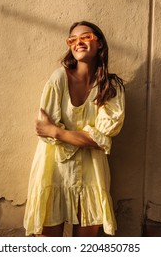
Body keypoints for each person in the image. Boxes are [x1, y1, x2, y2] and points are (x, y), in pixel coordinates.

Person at [23, 21, 125, 237]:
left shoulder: (110, 87)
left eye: (85, 37)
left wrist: (58, 132)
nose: (78, 42)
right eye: (73, 39)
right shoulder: (58, 78)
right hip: (53, 170)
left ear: (99, 44)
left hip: (92, 174)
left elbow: (103, 137)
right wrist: (84, 136)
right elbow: (45, 133)